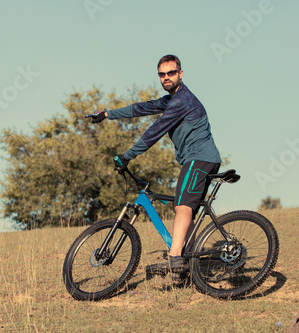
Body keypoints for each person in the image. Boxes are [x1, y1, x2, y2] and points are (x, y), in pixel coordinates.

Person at [89, 54, 221, 273]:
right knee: (187, 210)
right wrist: (107, 114)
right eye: (162, 74)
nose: (166, 77)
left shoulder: (182, 101)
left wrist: (127, 156)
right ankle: (185, 260)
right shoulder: (171, 100)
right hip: (204, 159)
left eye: (171, 73)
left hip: (199, 159)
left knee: (182, 206)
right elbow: (141, 108)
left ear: (180, 74)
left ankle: (175, 258)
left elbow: (154, 132)